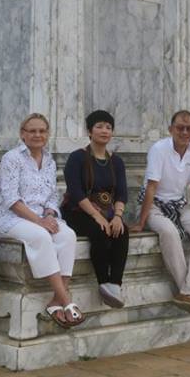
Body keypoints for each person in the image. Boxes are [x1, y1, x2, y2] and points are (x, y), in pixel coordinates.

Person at [129, 111, 190, 313]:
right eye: (180, 128)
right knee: (169, 232)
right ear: (171, 129)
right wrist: (141, 222)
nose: (185, 132)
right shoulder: (159, 149)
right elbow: (151, 187)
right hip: (153, 205)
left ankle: (187, 292)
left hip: (179, 205)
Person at [0, 114, 81, 329]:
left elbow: (52, 195)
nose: (37, 135)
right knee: (41, 236)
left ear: (47, 134)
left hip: (42, 216)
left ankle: (55, 300)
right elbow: (11, 199)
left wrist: (49, 214)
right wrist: (40, 222)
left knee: (68, 235)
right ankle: (66, 299)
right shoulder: (12, 158)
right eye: (32, 131)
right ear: (22, 134)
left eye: (42, 131)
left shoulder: (49, 160)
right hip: (12, 217)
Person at [63, 110, 129, 309]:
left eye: (108, 127)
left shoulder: (116, 161)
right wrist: (95, 215)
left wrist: (117, 216)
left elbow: (122, 193)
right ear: (89, 131)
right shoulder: (77, 158)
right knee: (99, 230)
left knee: (121, 231)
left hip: (107, 211)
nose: (104, 131)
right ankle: (103, 282)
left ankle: (115, 284)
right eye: (99, 126)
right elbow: (75, 191)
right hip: (78, 211)